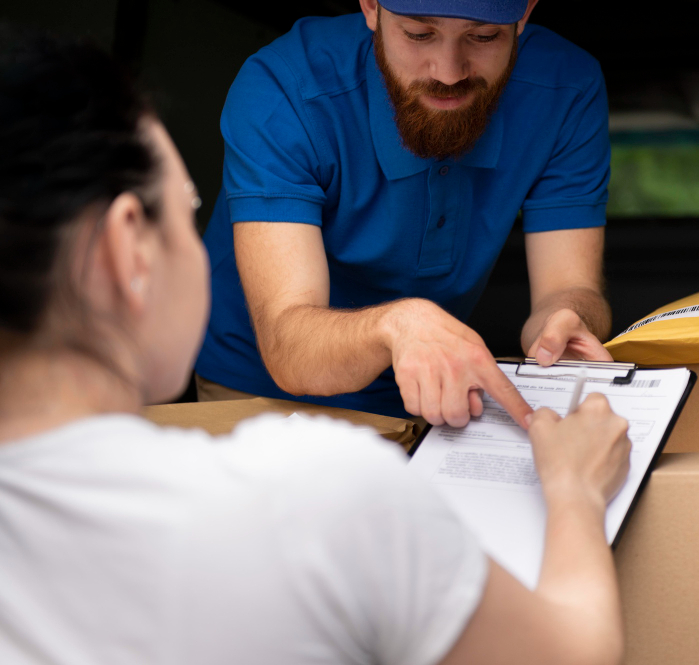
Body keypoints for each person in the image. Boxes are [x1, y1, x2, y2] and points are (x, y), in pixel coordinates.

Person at [0, 29, 632, 665]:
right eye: (188, 204)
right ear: (124, 250)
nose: (447, 67)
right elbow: (571, 654)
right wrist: (576, 492)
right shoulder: (326, 495)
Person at [194, 0, 615, 428]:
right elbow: (291, 348)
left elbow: (568, 286)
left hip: (434, 388)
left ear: (524, 14)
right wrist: (398, 324)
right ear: (371, 7)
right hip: (260, 388)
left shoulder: (568, 88)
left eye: (484, 36)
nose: (449, 72)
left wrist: (567, 320)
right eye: (418, 34)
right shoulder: (284, 87)